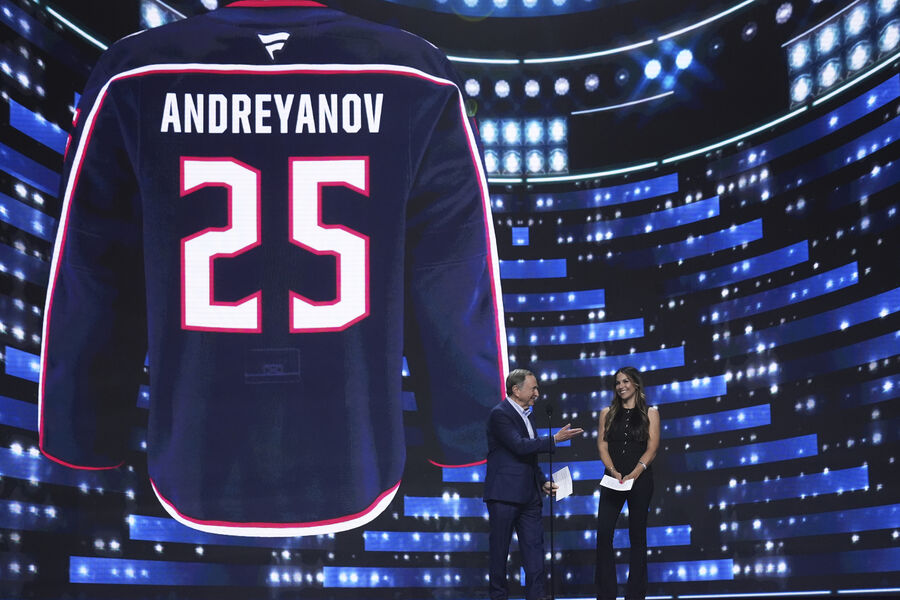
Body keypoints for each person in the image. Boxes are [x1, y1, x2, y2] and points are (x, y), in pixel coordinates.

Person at [39, 0, 507, 537]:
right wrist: (470, 434)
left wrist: (83, 437)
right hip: (354, 463)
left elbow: (93, 270)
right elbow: (453, 272)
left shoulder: (134, 71)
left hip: (195, 465)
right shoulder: (415, 73)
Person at [484, 368, 584, 600]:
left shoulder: (528, 415)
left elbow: (529, 457)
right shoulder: (500, 414)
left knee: (535, 554)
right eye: (533, 388)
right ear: (516, 390)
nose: (537, 393)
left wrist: (542, 481)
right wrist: (554, 439)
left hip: (530, 496)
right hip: (504, 495)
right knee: (499, 553)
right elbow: (518, 446)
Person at [595, 366, 660, 600]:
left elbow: (652, 448)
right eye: (617, 382)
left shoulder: (650, 413)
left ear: (635, 384)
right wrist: (614, 471)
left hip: (640, 479)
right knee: (604, 534)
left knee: (637, 536)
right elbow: (602, 446)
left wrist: (635, 472)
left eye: (625, 381)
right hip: (613, 479)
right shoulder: (607, 413)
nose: (621, 386)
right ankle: (606, 594)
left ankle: (635, 594)